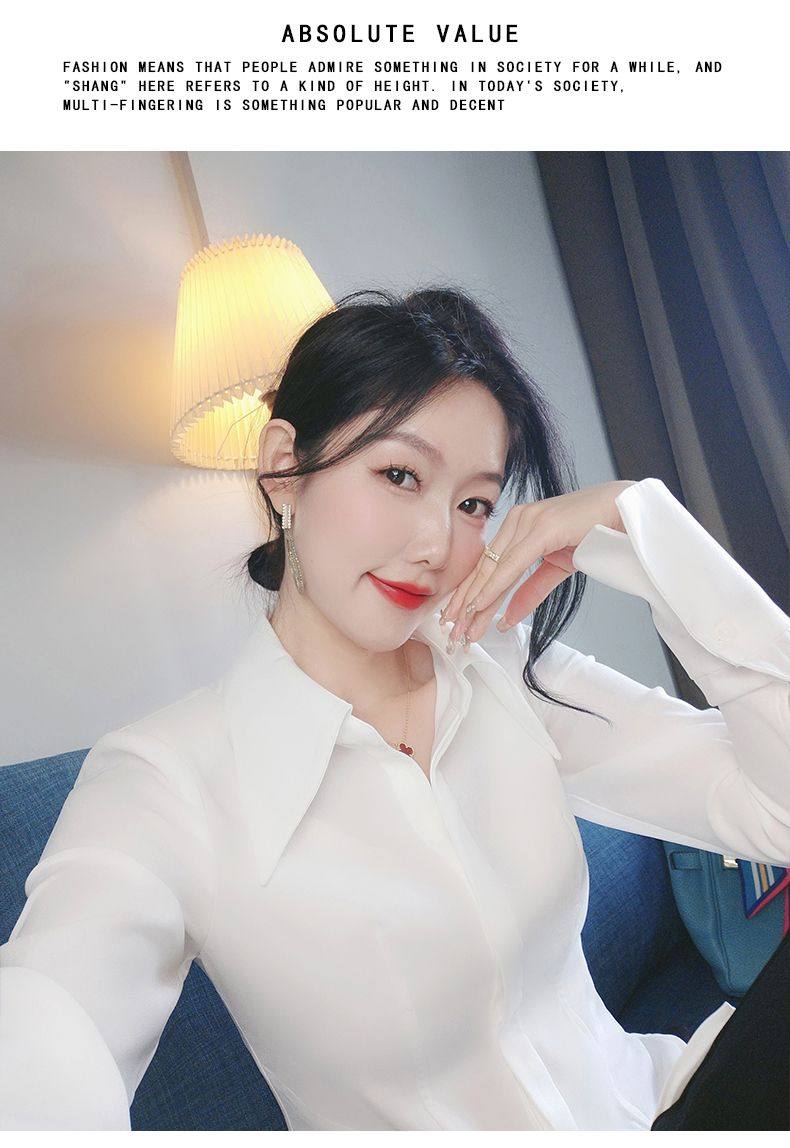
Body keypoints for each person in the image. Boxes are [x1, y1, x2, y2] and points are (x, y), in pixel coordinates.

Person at [1, 286, 789, 1131]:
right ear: (283, 466)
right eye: (399, 475)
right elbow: (54, 1015)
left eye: (473, 504)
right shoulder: (161, 783)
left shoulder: (500, 670)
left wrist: (649, 534)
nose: (437, 546)